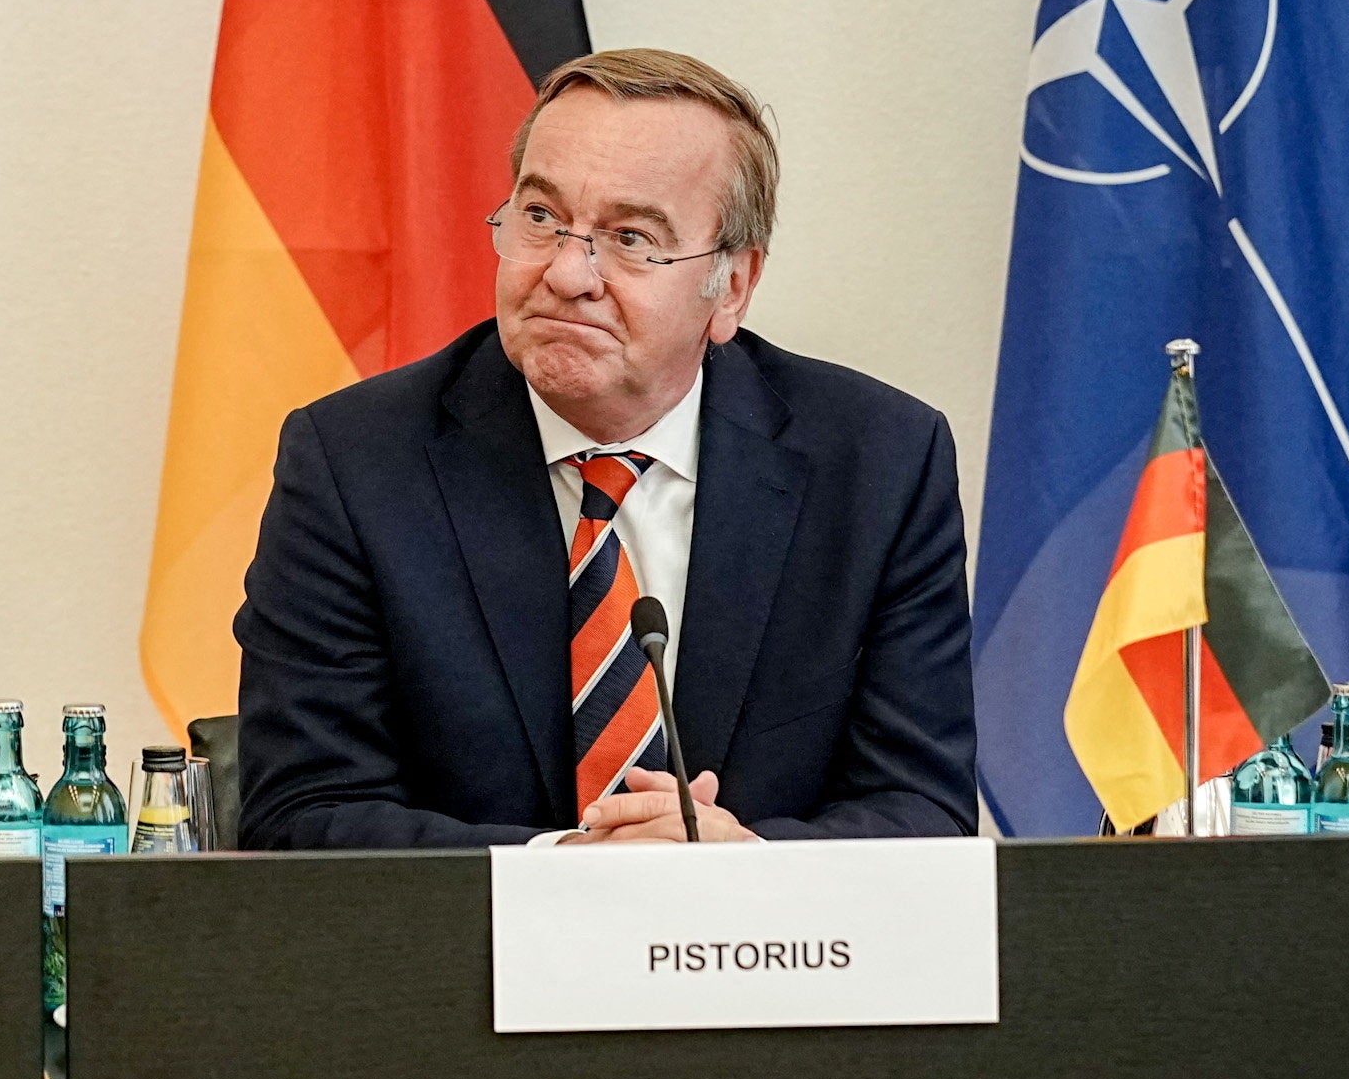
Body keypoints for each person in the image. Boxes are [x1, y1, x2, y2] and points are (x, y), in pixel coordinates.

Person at [232, 47, 978, 848]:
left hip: (766, 967)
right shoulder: (354, 463)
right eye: (542, 217)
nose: (565, 273)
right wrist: (568, 872)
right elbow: (300, 818)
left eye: (630, 237)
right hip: (461, 970)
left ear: (731, 286)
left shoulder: (881, 466)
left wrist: (753, 870)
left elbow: (924, 813)